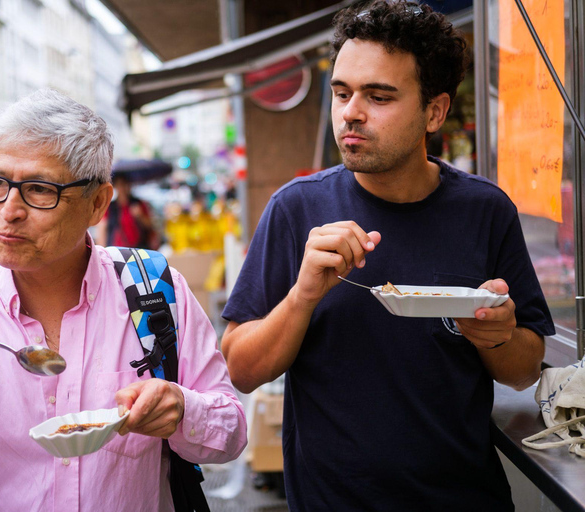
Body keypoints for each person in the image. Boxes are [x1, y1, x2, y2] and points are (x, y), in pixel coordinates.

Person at [221, 2, 554, 511]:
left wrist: (497, 335)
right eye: (341, 93)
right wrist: (303, 296)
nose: (351, 112)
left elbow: (524, 369)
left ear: (435, 112)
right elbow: (239, 369)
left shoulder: (484, 210)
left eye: (378, 96)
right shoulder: (297, 208)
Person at [0, 88, 247, 511]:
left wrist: (183, 410)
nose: (9, 210)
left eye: (40, 190)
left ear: (97, 203)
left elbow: (231, 433)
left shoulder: (153, 293)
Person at [96, 173, 158, 249]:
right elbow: (102, 229)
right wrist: (102, 251)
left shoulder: (138, 204)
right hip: (117, 250)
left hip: (139, 248)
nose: (123, 188)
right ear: (115, 186)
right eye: (120, 184)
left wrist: (140, 216)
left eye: (126, 184)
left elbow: (150, 225)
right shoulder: (110, 207)